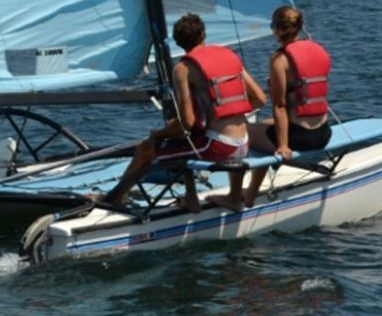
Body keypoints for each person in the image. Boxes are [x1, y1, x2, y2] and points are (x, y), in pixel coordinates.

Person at [103, 13, 266, 212]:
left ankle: (113, 199)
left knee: (146, 149)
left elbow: (186, 123)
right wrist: (228, 112)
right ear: (203, 34)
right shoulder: (229, 56)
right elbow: (260, 98)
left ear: (178, 42)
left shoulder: (182, 68)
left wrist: (158, 134)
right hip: (244, 143)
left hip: (217, 147)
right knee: (186, 143)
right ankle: (201, 198)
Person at [243, 6, 332, 207]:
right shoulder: (318, 49)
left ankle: (240, 195)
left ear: (279, 29)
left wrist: (283, 146)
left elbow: (280, 106)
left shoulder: (279, 59)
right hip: (324, 133)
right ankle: (251, 192)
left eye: (272, 26)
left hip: (299, 138)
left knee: (244, 132)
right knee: (266, 125)